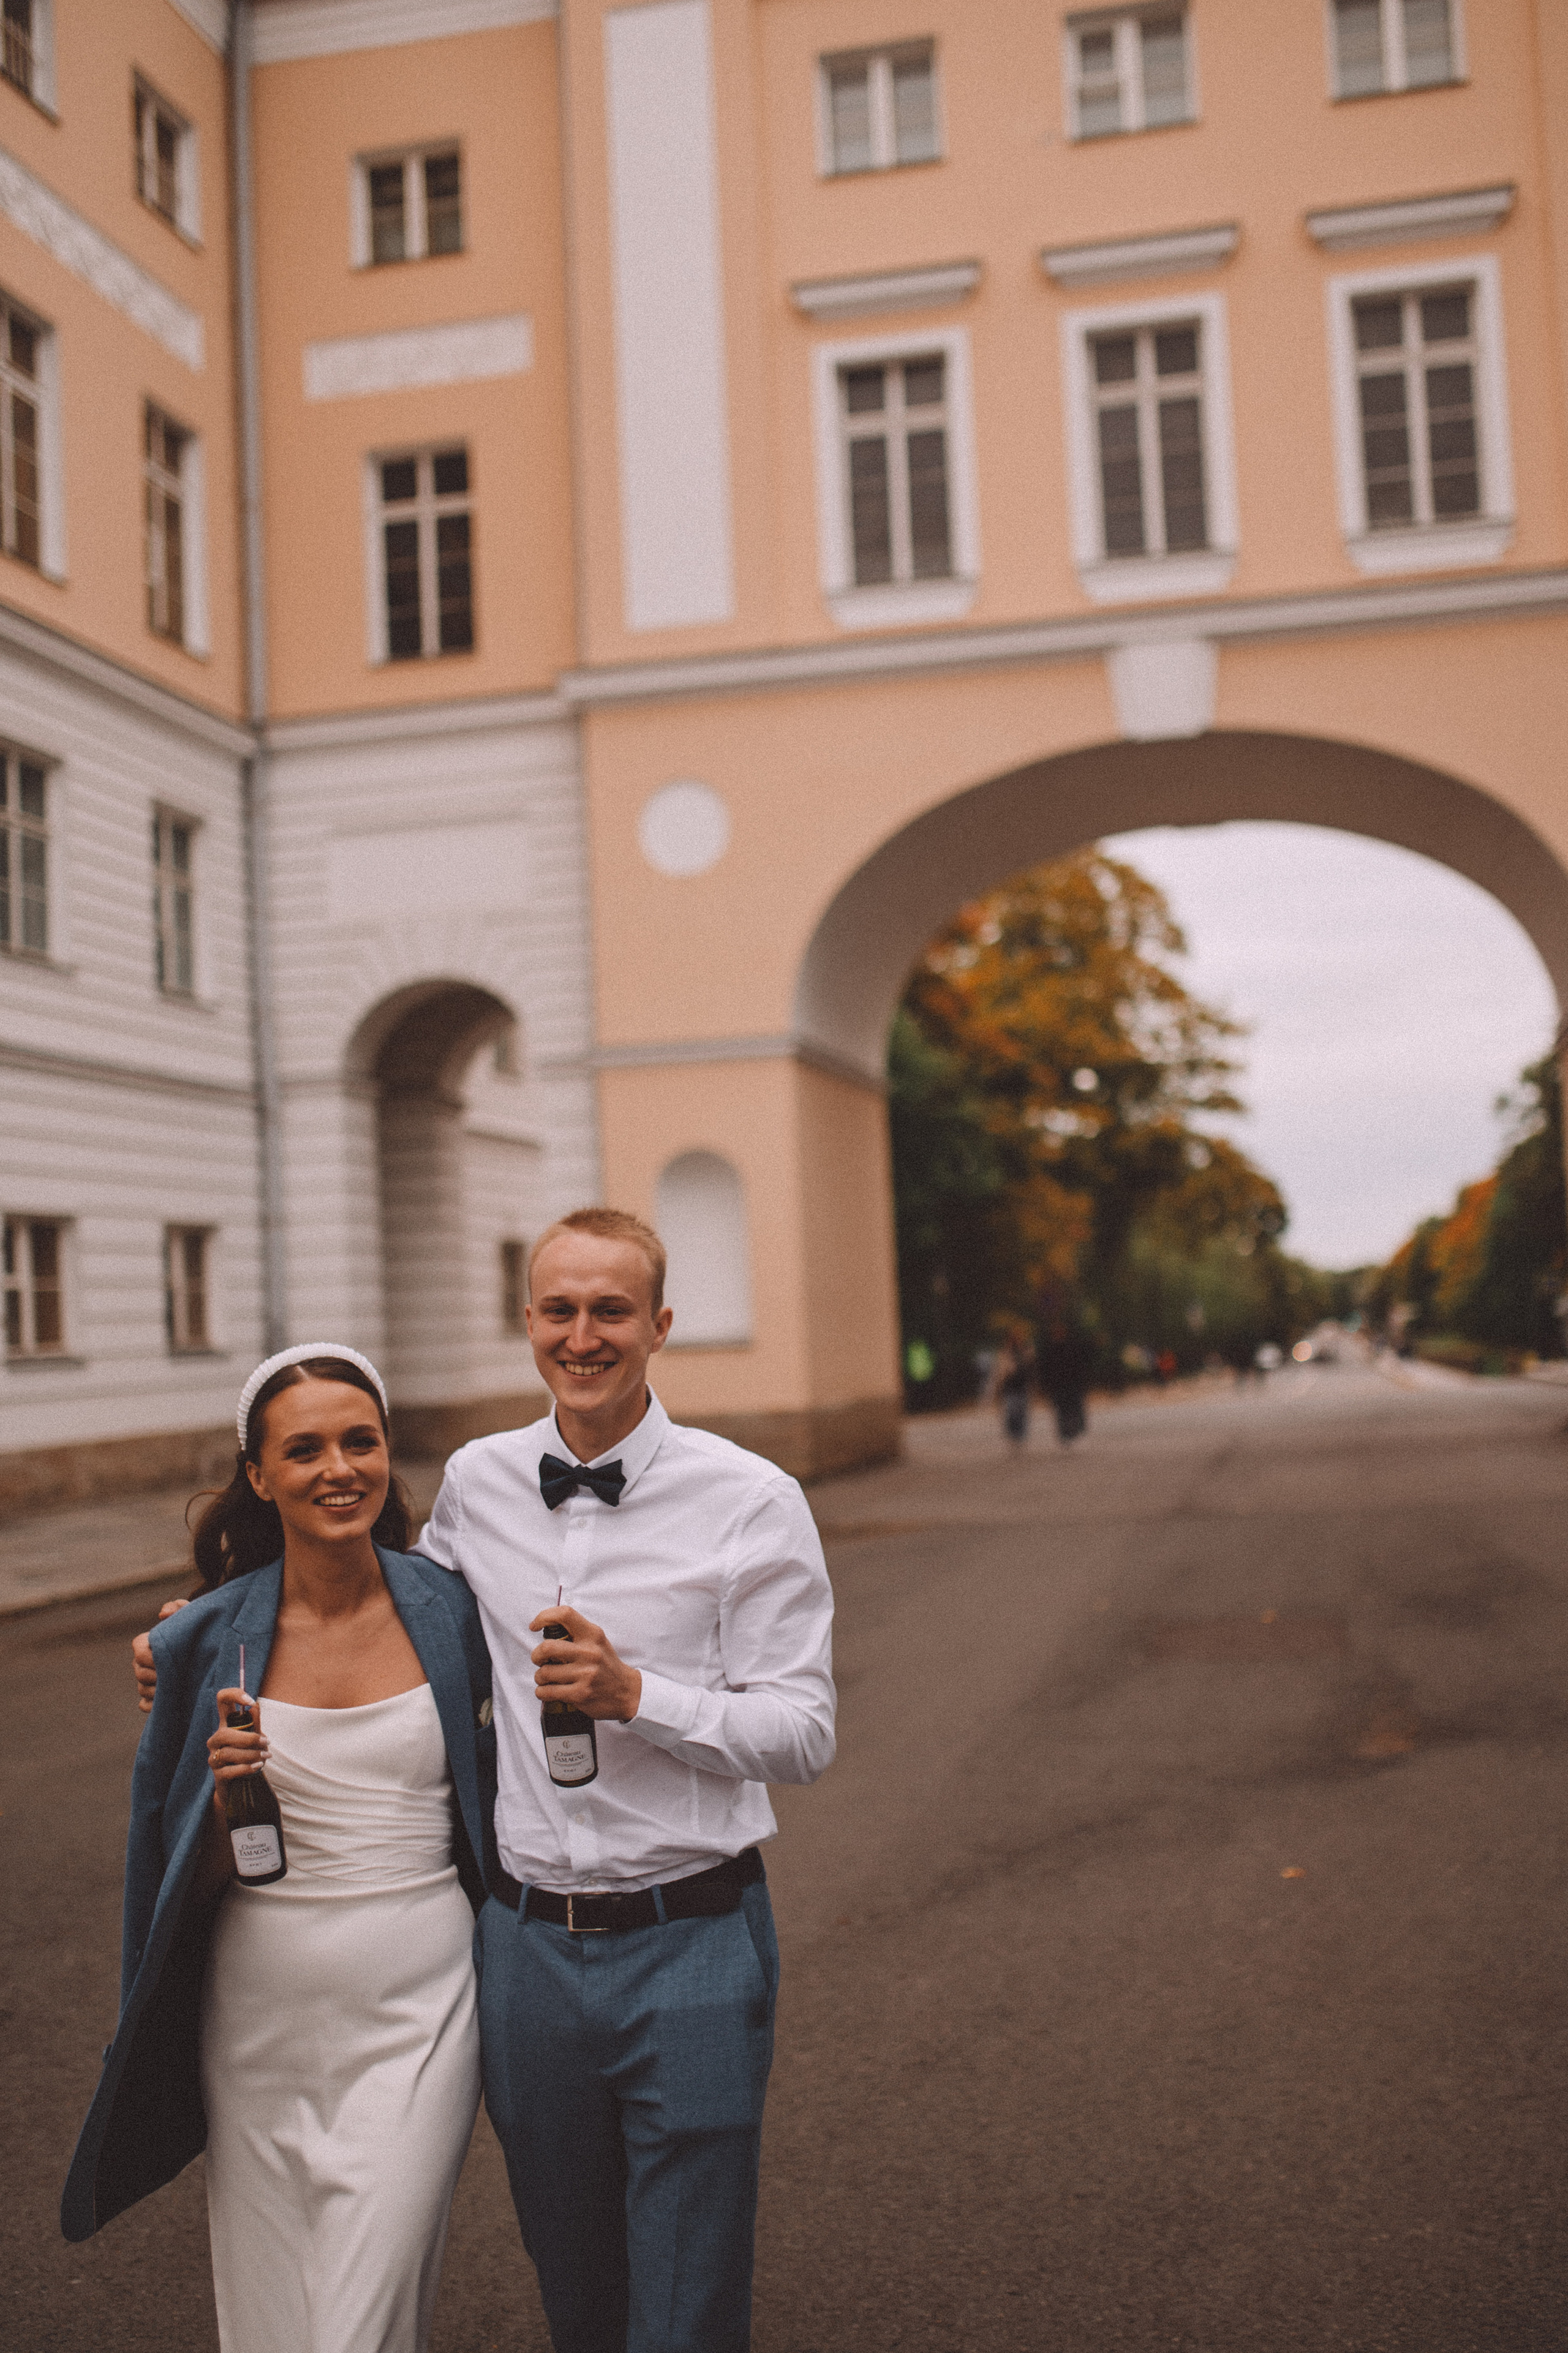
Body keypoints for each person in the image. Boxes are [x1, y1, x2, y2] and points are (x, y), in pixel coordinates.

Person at [131, 1211, 837, 2353]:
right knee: (576, 2281)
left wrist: (636, 1694)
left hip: (692, 1935)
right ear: (528, 1323)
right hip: (523, 1953)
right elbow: (389, 1608)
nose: (583, 1334)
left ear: (660, 1324)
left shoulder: (751, 1498)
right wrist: (212, 1625)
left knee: (688, 2294)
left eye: (612, 1309)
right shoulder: (479, 1480)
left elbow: (803, 1733)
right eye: (559, 1309)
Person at [67, 1346, 498, 2353]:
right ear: (258, 1475)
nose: (339, 1468)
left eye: (362, 1441)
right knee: (269, 2323)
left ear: (390, 1454)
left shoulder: (457, 1612)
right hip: (256, 2020)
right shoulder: (201, 1643)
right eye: (303, 1449)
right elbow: (173, 1873)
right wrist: (221, 1801)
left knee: (364, 2313)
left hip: (421, 2005)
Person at [990, 1333, 1034, 1447]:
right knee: (1011, 1413)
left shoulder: (1025, 1354)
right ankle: (1013, 1434)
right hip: (1009, 1389)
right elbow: (999, 1373)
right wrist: (997, 1388)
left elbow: (1031, 1369)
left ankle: (1020, 1435)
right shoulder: (1004, 1355)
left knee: (1021, 1413)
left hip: (1022, 1388)